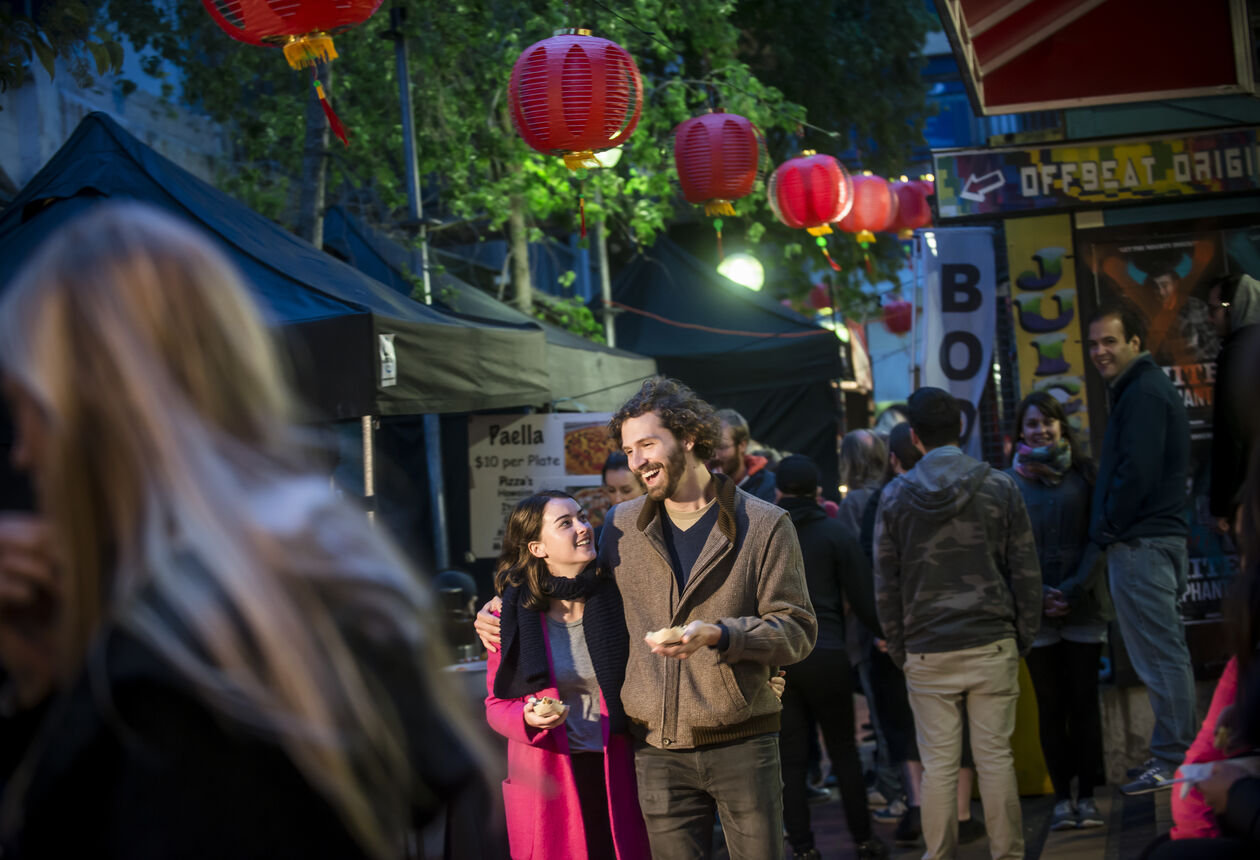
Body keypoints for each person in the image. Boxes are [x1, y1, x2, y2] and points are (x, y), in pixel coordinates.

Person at [0, 202, 486, 858]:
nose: (22, 453)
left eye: (26, 408)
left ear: (92, 416)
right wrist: (48, 684)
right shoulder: (286, 601)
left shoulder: (176, 677)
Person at [478, 377, 816, 859]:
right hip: (654, 750)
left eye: (646, 444)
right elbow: (558, 579)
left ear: (689, 437)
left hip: (741, 741)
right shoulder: (620, 525)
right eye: (628, 450)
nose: (636, 461)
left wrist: (723, 635)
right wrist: (494, 608)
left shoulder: (764, 524)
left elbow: (798, 630)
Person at [873, 387, 1041, 860]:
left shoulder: (894, 497)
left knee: (939, 766)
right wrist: (1022, 634)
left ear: (916, 437)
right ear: (961, 430)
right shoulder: (1000, 486)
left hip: (928, 649)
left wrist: (902, 649)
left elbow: (886, 583)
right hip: (992, 642)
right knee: (995, 759)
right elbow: (1026, 570)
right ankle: (1008, 854)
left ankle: (939, 854)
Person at [484, 490, 649, 860]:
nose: (583, 528)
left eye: (581, 517)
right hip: (549, 778)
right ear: (537, 548)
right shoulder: (507, 615)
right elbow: (495, 705)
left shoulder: (617, 595)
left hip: (619, 771)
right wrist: (527, 716)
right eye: (565, 523)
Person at [1086, 303, 1196, 795]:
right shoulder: (1138, 390)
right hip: (1150, 539)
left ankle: (1175, 759)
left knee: (1160, 655)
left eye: (1110, 341)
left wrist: (1108, 523)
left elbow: (1138, 472)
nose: (1100, 352)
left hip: (1143, 542)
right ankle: (1174, 754)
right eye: (1093, 344)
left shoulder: (1144, 392)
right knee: (1162, 654)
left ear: (1134, 342)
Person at [860, 422, 985, 848]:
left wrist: (882, 631)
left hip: (898, 636)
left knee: (904, 727)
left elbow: (873, 573)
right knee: (956, 723)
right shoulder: (965, 491)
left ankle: (918, 809)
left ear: (895, 459)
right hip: (954, 631)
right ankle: (963, 813)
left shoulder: (884, 499)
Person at [774, 454, 888, 860]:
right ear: (818, 491)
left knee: (790, 758)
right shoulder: (836, 533)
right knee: (845, 751)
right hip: (829, 653)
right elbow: (863, 596)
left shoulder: (764, 534)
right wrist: (887, 636)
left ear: (778, 492)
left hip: (781, 659)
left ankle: (803, 849)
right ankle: (864, 840)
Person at [1006, 391, 1110, 832]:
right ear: (1020, 432)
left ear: (1062, 426)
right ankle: (1062, 798)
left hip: (1083, 605)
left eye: (1048, 422)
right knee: (1050, 708)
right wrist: (1037, 594)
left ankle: (1087, 796)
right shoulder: (1007, 484)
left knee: (1084, 703)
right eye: (1032, 424)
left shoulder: (1086, 475)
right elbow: (1006, 548)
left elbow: (1099, 536)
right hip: (1036, 611)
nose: (1041, 430)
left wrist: (1071, 588)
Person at [1209, 274, 1260, 533]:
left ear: (1234, 307)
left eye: (1214, 309)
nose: (1211, 318)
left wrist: (1223, 506)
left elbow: (1232, 435)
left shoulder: (1238, 353)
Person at [711, 408, 777, 502]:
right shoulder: (699, 481)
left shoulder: (767, 485)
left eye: (722, 447)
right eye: (709, 446)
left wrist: (723, 494)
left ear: (742, 445)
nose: (714, 456)